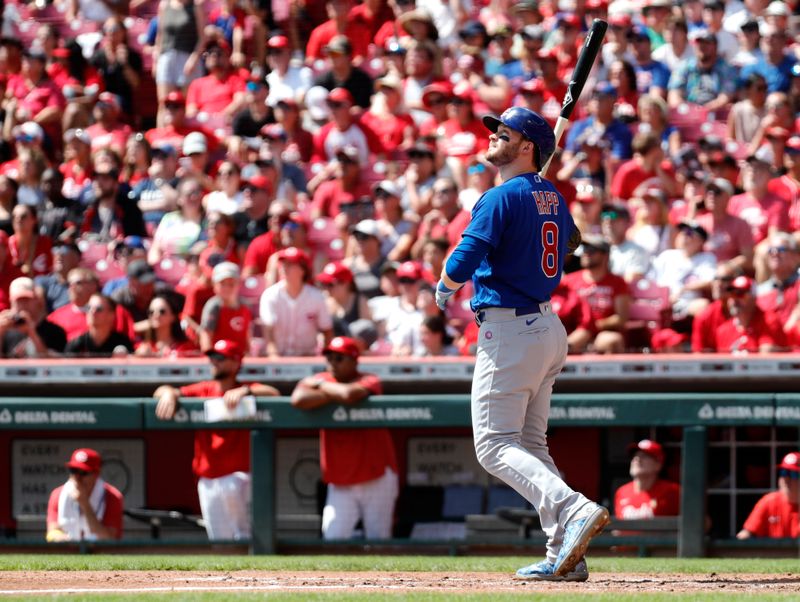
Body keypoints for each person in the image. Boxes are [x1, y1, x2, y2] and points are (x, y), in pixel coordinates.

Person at [434, 106, 609, 582]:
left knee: (493, 446)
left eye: (505, 132)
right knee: (530, 443)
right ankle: (563, 552)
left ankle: (571, 509)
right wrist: (537, 197)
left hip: (510, 329)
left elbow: (467, 254)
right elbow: (569, 240)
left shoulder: (499, 197)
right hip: (546, 329)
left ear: (528, 147)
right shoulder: (549, 193)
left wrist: (445, 286)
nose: (494, 136)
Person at [154, 339, 280, 541]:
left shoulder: (245, 388)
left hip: (238, 477)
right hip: (207, 479)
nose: (214, 362)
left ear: (236, 362)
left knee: (245, 537)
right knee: (219, 542)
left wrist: (246, 391)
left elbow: (274, 393)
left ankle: (252, 573)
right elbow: (162, 391)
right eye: (212, 357)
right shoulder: (204, 389)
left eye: (220, 358)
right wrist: (169, 394)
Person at [291, 336, 398, 540]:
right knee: (333, 538)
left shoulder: (369, 379)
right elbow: (298, 399)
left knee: (379, 541)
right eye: (329, 357)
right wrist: (330, 390)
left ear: (354, 360)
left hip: (376, 476)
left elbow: (349, 394)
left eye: (339, 358)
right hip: (340, 481)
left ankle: (385, 575)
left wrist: (320, 385)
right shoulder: (321, 380)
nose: (332, 362)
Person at [46, 448, 123, 542]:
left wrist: (85, 504)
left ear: (96, 474)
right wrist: (69, 541)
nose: (77, 477)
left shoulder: (112, 496)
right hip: (68, 552)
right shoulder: (58, 494)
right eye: (73, 470)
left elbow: (109, 539)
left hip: (99, 554)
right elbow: (52, 532)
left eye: (83, 473)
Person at [737, 451, 799, 539]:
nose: (786, 479)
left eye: (794, 474)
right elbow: (746, 534)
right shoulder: (769, 501)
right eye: (783, 472)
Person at [614, 439, 681, 520]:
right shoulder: (622, 492)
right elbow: (618, 530)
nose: (637, 459)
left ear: (658, 464)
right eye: (635, 456)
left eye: (644, 456)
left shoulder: (673, 491)